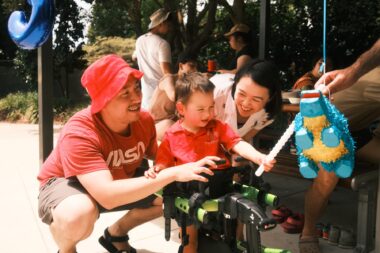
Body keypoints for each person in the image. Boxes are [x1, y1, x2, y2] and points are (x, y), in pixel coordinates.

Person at [37, 55, 216, 253]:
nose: (137, 98)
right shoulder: (80, 132)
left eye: (137, 88)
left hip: (117, 181)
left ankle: (116, 234)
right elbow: (107, 195)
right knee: (78, 214)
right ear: (102, 101)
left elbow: (163, 156)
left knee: (176, 197)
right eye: (125, 93)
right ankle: (67, 249)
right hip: (69, 185)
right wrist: (172, 174)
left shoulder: (143, 120)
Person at [145, 72, 276, 253]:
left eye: (211, 106)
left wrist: (258, 157)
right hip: (189, 194)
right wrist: (155, 170)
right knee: (190, 243)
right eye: (201, 109)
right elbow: (162, 165)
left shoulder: (217, 127)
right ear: (181, 109)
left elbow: (237, 143)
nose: (209, 114)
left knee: (229, 235)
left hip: (220, 188)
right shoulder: (172, 135)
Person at [300, 39, 380, 253]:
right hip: (328, 125)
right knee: (329, 173)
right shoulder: (306, 80)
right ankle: (308, 232)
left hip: (358, 129)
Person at [212, 59, 283, 142]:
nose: (246, 104)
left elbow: (244, 139)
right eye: (242, 94)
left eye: (256, 99)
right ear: (235, 85)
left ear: (270, 98)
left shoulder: (268, 111)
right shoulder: (213, 95)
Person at [148, 54, 198, 141]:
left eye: (196, 68)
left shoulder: (188, 86)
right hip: (155, 125)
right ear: (181, 66)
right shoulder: (168, 78)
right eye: (192, 66)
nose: (195, 70)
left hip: (173, 125)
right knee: (170, 125)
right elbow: (173, 96)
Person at [134, 8, 173, 109]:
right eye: (167, 25)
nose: (169, 28)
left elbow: (134, 56)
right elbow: (167, 74)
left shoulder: (139, 40)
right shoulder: (163, 44)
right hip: (161, 98)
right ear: (160, 24)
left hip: (146, 98)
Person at [315, 39, 380, 95]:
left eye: (329, 65)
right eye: (321, 63)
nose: (325, 66)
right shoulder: (307, 80)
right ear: (313, 65)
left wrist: (354, 71)